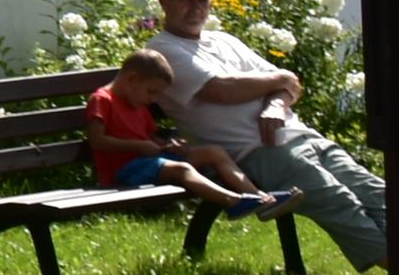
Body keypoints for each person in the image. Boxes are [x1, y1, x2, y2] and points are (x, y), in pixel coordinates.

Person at [144, 0, 399, 275]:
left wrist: (275, 105)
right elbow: (221, 89)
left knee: (376, 191)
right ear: (164, 1)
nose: (195, 8)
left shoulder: (224, 41)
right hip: (256, 152)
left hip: (299, 134)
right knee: (339, 201)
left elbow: (290, 84)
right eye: (186, 0)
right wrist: (276, 83)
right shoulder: (163, 50)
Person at [84, 48, 292, 214]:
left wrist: (168, 144)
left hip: (148, 162)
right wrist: (140, 146)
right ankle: (234, 201)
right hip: (123, 170)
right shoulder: (102, 100)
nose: (152, 99)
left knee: (214, 152)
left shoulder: (138, 103)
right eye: (151, 91)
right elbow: (97, 141)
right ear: (132, 79)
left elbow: (151, 137)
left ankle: (259, 198)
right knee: (182, 170)